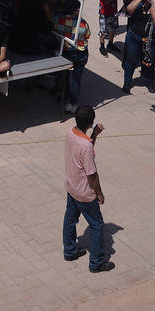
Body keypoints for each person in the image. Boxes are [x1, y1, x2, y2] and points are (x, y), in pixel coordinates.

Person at [61, 104, 114, 273]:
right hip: (85, 193)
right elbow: (92, 173)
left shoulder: (70, 133)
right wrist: (99, 193)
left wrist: (93, 136)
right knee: (97, 225)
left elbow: (84, 148)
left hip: (72, 187)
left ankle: (70, 250)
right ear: (91, 122)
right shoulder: (87, 146)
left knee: (70, 219)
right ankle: (97, 262)